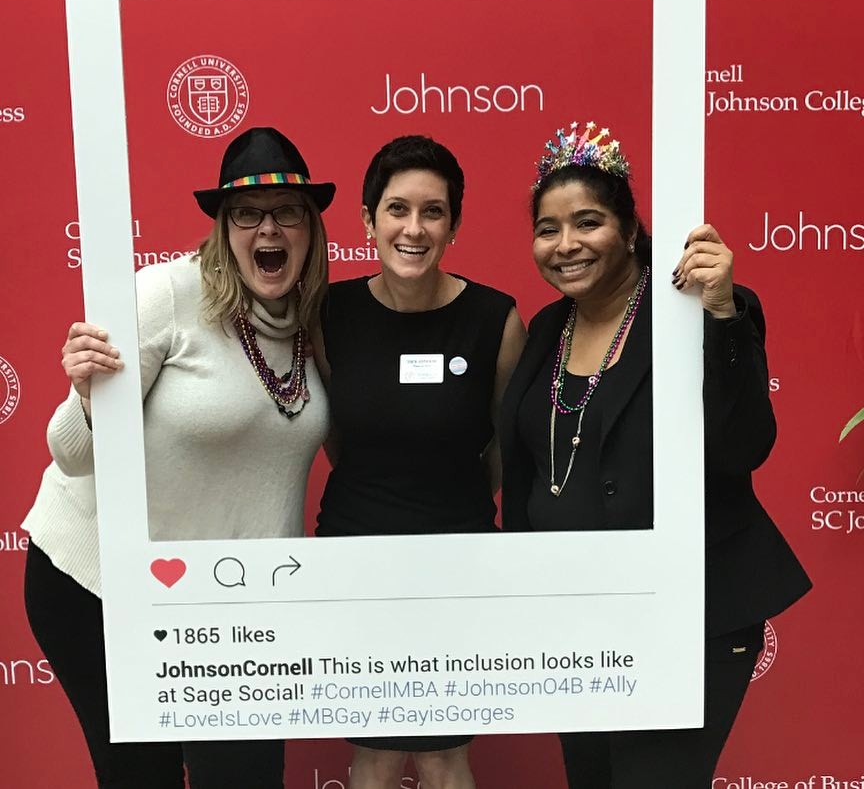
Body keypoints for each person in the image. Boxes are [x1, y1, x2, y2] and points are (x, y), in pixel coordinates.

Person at [500, 123, 811, 789]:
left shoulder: (691, 312)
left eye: (588, 222)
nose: (566, 245)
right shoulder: (547, 328)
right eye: (547, 229)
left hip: (690, 615)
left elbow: (743, 446)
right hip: (580, 622)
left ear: (631, 229)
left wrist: (724, 312)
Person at [22, 127, 334, 789]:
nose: (267, 228)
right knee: (144, 778)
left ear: (312, 229)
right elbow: (73, 454)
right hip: (97, 584)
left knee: (244, 776)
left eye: (287, 212)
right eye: (247, 214)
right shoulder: (166, 294)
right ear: (224, 228)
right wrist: (84, 395)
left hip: (225, 609)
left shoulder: (316, 323)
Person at [315, 135, 526, 789]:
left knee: (442, 754)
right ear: (368, 219)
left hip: (458, 557)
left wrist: (452, 505)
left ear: (455, 225)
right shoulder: (329, 313)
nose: (414, 228)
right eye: (397, 209)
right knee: (374, 755)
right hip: (355, 554)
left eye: (433, 212)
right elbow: (336, 438)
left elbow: (502, 448)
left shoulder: (496, 319)